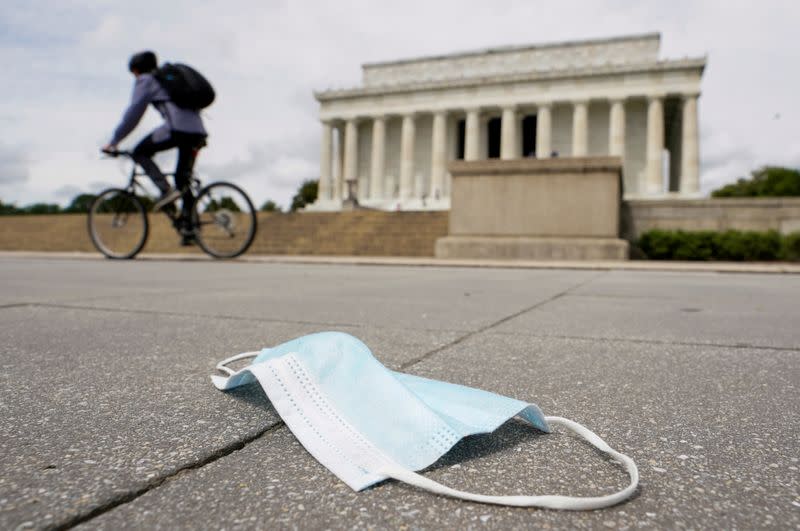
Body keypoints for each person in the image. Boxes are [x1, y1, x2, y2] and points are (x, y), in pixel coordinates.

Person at [102, 51, 208, 220]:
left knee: (139, 152)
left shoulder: (146, 80)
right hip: (198, 132)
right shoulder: (167, 81)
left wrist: (114, 142)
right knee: (182, 179)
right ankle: (190, 228)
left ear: (136, 70)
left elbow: (133, 114)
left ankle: (166, 191)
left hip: (177, 130)